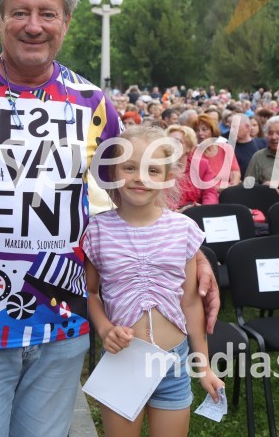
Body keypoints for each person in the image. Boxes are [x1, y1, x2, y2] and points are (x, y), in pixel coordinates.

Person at [0, 0, 220, 437]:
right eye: (20, 12)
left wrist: (189, 253)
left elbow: (132, 194)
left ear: (65, 22)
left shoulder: (92, 103)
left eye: (48, 14)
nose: (33, 25)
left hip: (62, 325)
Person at [83, 124, 223, 436]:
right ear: (114, 173)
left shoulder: (183, 229)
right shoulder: (97, 231)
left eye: (153, 170)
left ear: (168, 176)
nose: (140, 177)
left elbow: (190, 300)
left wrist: (204, 366)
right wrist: (105, 329)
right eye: (130, 167)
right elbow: (91, 293)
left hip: (173, 362)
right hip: (124, 359)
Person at [167, 124, 218, 209]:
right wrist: (176, 212)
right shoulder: (160, 167)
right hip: (170, 215)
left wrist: (204, 209)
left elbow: (210, 193)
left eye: (178, 141)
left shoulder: (201, 165)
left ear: (188, 147)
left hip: (196, 212)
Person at [244, 115, 279, 194]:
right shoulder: (258, 157)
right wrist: (266, 189)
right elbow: (247, 186)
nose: (273, 137)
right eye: (270, 133)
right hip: (267, 202)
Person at [192, 114, 240, 191]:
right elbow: (197, 183)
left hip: (228, 192)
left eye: (204, 129)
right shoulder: (193, 153)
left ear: (212, 131)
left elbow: (235, 171)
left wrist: (233, 185)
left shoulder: (226, 148)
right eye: (197, 130)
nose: (200, 133)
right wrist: (219, 189)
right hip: (207, 194)